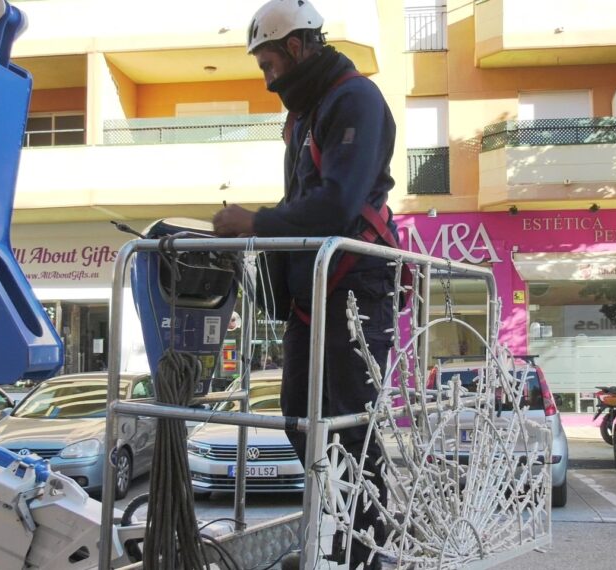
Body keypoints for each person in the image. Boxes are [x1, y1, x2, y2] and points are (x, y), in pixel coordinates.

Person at [212, 1, 397, 567]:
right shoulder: (307, 112)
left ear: (295, 48)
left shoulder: (354, 100)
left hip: (355, 283)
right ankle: (346, 536)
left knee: (348, 422)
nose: (268, 80)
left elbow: (338, 203)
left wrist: (255, 222)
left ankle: (367, 549)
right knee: (299, 414)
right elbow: (305, 201)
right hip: (313, 287)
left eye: (269, 65)